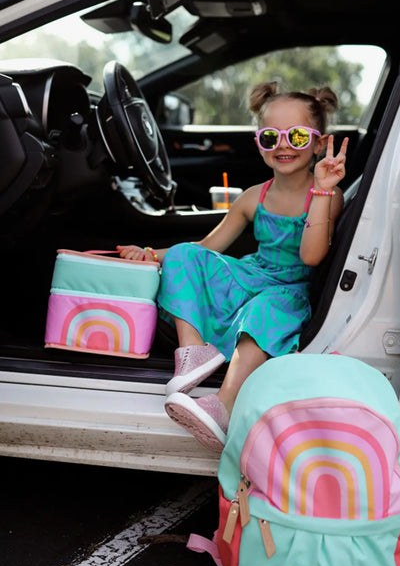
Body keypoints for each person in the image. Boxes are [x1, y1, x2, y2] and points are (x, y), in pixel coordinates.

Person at [117, 82, 347, 453]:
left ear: (319, 144)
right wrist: (149, 252)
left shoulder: (326, 196)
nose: (284, 145)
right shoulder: (254, 196)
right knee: (183, 256)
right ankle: (194, 355)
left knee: (263, 311)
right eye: (272, 136)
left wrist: (322, 189)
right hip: (252, 275)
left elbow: (311, 257)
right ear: (260, 143)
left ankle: (223, 404)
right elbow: (206, 248)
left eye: (298, 136)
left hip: (289, 290)